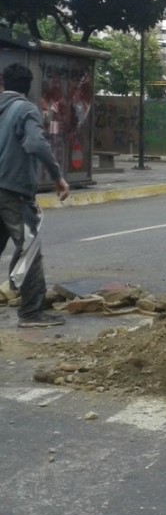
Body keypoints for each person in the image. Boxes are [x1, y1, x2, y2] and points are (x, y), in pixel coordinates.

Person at [0, 63, 70, 328]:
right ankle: (31, 313)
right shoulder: (26, 109)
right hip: (14, 189)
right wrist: (57, 176)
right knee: (29, 249)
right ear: (28, 86)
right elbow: (36, 143)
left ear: (4, 82)